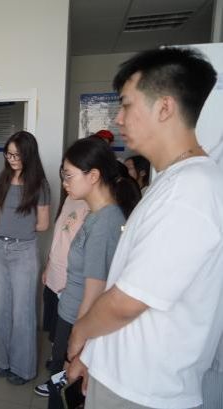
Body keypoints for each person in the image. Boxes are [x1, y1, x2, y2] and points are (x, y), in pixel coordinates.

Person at [66, 47, 223, 409]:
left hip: (141, 389)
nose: (118, 118)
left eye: (126, 105)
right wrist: (95, 356)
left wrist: (81, 332)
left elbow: (127, 302)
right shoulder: (172, 182)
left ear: (164, 107)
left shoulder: (191, 191)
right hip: (124, 376)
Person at [39, 137, 140, 406]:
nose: (64, 182)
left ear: (93, 176)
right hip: (71, 315)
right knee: (59, 387)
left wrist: (77, 341)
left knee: (64, 393)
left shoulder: (106, 222)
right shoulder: (95, 215)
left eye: (69, 175)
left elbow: (94, 292)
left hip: (78, 322)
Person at [0, 131, 51, 385]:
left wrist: (19, 228)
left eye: (17, 155)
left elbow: (43, 224)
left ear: (29, 154)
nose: (12, 159)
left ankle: (22, 368)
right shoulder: (3, 178)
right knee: (0, 310)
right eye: (9, 154)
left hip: (23, 251)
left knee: (22, 313)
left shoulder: (39, 185)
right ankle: (2, 361)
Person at [35, 191, 90, 396]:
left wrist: (75, 284)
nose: (66, 183)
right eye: (64, 177)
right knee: (53, 326)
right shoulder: (69, 199)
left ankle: (59, 383)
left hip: (70, 280)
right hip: (54, 273)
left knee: (65, 333)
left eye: (70, 177)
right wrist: (48, 265)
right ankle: (55, 363)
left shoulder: (92, 207)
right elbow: (59, 236)